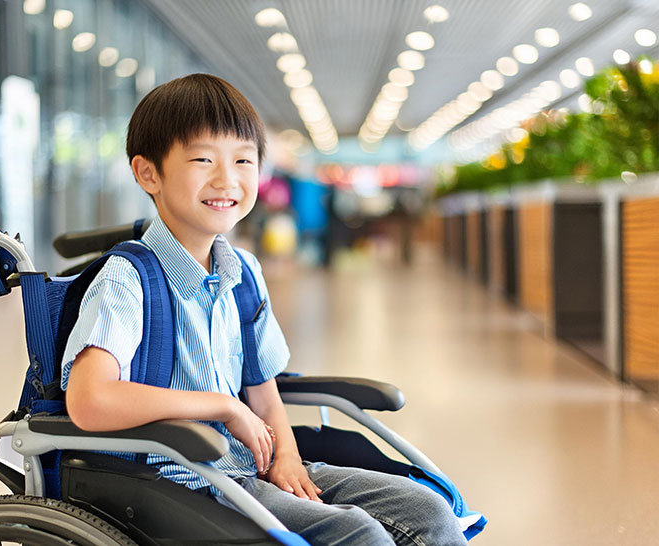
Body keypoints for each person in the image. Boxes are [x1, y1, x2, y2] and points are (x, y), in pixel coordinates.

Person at [61, 73, 467, 546]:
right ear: (148, 172)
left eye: (243, 160)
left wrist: (287, 458)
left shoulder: (243, 273)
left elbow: (264, 393)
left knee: (427, 512)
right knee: (357, 536)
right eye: (202, 159)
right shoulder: (128, 279)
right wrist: (222, 406)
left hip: (249, 465)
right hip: (179, 483)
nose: (226, 179)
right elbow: (90, 400)